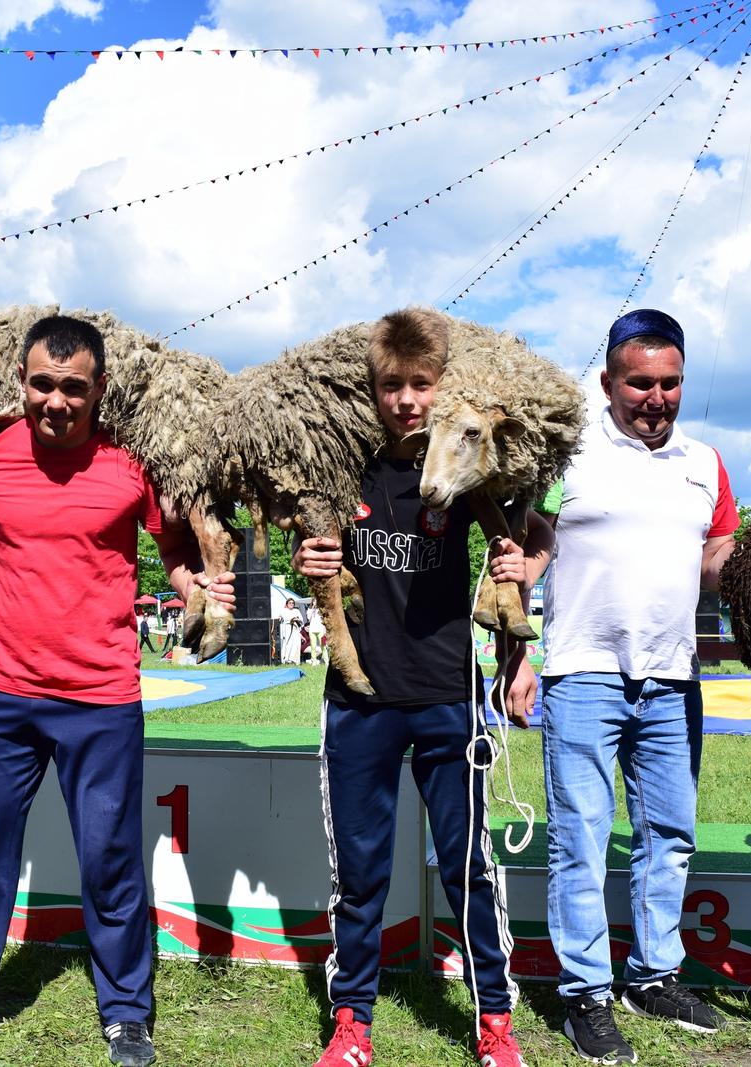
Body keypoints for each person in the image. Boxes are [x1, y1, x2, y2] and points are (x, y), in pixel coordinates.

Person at [0, 314, 235, 1067]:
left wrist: (198, 586)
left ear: (99, 388)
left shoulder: (133, 460)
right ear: (21, 380)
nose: (56, 401)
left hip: (100, 695)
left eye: (73, 388)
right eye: (42, 384)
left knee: (110, 859)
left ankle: (127, 1013)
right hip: (0, 691)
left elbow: (173, 549)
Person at [294, 308, 547, 1067]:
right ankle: (353, 1022)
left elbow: (533, 531)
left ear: (445, 385)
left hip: (447, 696)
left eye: (421, 384)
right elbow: (307, 544)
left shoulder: (467, 459)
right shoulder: (343, 463)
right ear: (371, 388)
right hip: (359, 702)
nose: (406, 400)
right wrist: (307, 561)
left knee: (469, 867)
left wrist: (522, 577)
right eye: (391, 385)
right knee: (359, 875)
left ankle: (495, 1020)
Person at [535, 309, 738, 1063]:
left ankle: (653, 975)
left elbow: (717, 553)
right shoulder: (566, 453)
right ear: (608, 382)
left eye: (670, 383)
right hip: (582, 671)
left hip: (674, 677)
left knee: (670, 836)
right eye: (640, 383)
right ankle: (585, 994)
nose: (656, 397)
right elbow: (529, 543)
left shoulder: (706, 462)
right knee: (581, 839)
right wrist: (515, 653)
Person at [278, 596, 303, 664]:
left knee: (296, 643)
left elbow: (301, 620)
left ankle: (294, 659)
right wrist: (280, 617)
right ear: (287, 604)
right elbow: (280, 618)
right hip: (287, 628)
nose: (291, 604)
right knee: (288, 643)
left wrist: (297, 620)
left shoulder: (296, 611)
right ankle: (286, 659)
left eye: (292, 603)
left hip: (295, 628)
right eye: (290, 603)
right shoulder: (283, 610)